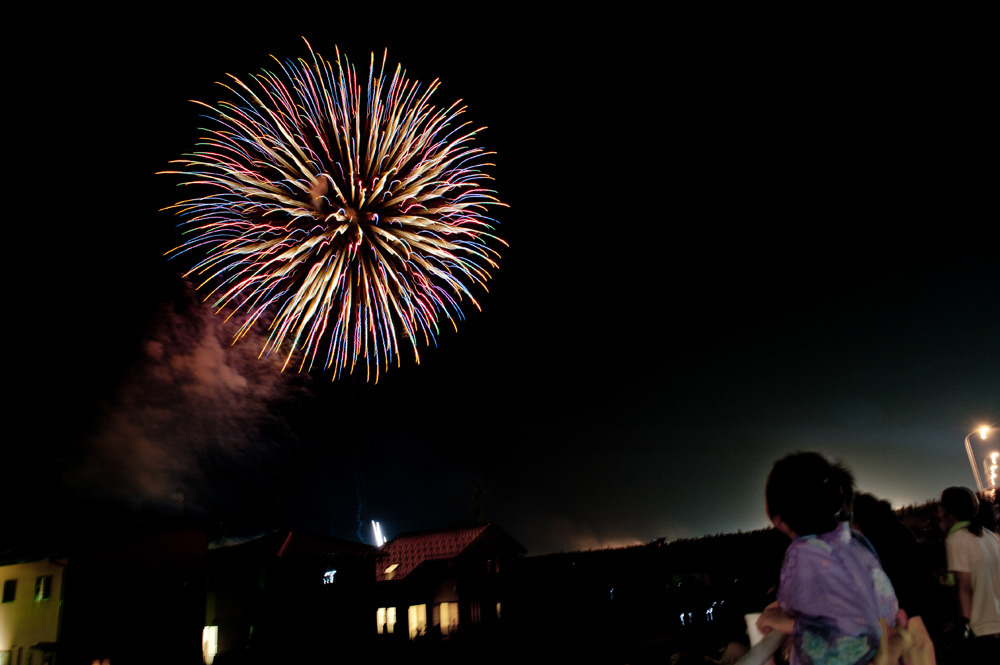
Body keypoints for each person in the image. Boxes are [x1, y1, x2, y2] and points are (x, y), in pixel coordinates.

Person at [756, 452, 899, 665]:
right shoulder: (853, 540)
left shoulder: (803, 553)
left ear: (778, 520)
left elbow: (853, 633)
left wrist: (787, 624)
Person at [939, 486, 1000, 662]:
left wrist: (965, 624)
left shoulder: (956, 539)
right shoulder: (990, 536)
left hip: (983, 627)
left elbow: (964, 586)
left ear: (947, 511)